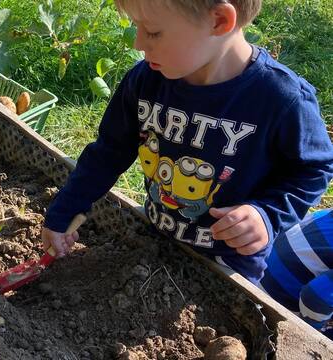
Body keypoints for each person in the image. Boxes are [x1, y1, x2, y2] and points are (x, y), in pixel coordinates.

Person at [42, 0, 333, 285]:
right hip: (156, 238)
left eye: (153, 32)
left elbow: (313, 170)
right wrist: (62, 212)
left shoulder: (280, 99)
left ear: (219, 21)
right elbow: (107, 154)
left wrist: (266, 214)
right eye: (137, 27)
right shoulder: (145, 81)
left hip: (229, 264)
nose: (138, 43)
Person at [258, 209, 333, 339]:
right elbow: (315, 297)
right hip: (270, 304)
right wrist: (313, 335)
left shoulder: (328, 213)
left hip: (257, 272)